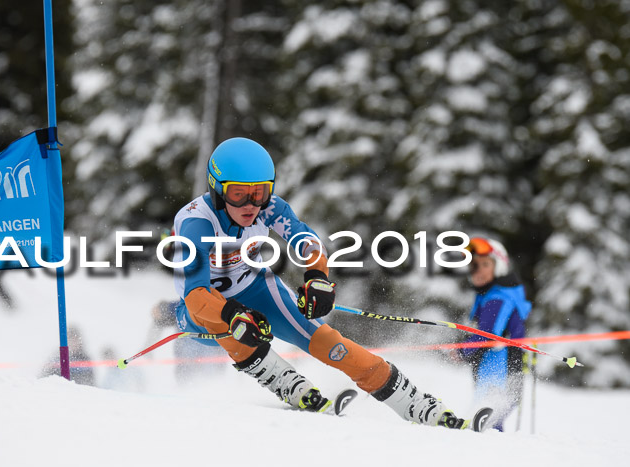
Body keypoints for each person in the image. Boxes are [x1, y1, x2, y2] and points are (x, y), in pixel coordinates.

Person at [170, 136, 470, 429]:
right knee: (227, 323)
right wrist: (231, 313)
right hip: (202, 308)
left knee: (328, 342)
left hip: (255, 286)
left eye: (260, 193)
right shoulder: (196, 224)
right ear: (216, 189)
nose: (251, 204)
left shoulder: (269, 208)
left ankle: (411, 401)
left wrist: (317, 277)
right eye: (239, 194)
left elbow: (306, 240)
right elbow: (196, 294)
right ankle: (279, 377)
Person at [458, 237, 532, 431]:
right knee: (489, 421)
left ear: (499, 267)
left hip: (499, 367)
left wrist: (460, 351)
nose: (478, 270)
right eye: (474, 265)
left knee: (487, 419)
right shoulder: (490, 294)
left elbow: (488, 334)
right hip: (500, 369)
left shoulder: (498, 297)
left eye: (485, 264)